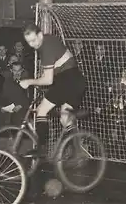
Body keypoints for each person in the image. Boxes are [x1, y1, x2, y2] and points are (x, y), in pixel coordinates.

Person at [19, 24, 86, 157]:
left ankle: (41, 148)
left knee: (41, 110)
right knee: (64, 118)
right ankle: (78, 151)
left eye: (34, 40)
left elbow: (48, 80)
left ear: (40, 35)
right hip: (76, 81)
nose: (32, 44)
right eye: (28, 42)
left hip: (67, 80)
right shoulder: (48, 40)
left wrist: (29, 82)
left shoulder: (46, 47)